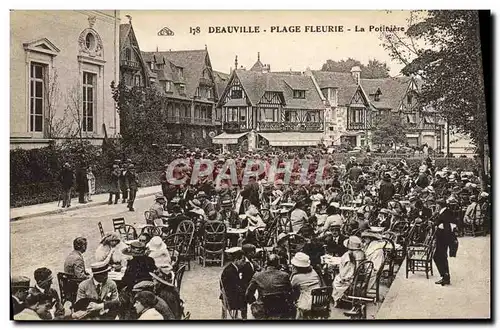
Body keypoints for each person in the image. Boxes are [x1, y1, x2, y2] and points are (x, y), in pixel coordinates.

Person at [245, 254, 294, 319]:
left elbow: (248, 294)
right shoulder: (285, 275)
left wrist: (253, 301)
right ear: (278, 264)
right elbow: (290, 292)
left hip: (263, 310)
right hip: (280, 309)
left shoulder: (257, 275)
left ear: (266, 263)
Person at [332, 236, 365, 306]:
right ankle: (342, 295)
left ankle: (338, 298)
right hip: (359, 276)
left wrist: (341, 275)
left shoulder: (348, 255)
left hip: (351, 278)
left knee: (336, 279)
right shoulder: (361, 253)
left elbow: (347, 271)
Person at [290, 252, 321, 319]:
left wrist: (292, 274)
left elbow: (290, 287)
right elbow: (319, 282)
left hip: (307, 303)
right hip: (319, 300)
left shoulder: (296, 277)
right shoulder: (313, 271)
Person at [220, 248, 248, 319]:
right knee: (248, 297)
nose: (244, 263)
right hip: (231, 299)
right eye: (242, 260)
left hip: (229, 295)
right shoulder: (230, 271)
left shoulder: (232, 268)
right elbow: (235, 288)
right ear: (236, 260)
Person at [433, 199, 454, 286]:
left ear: (439, 205)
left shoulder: (445, 213)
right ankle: (445, 276)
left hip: (443, 239)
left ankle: (445, 277)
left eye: (437, 205)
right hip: (443, 238)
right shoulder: (445, 211)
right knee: (440, 257)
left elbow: (446, 227)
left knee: (439, 257)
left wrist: (437, 225)